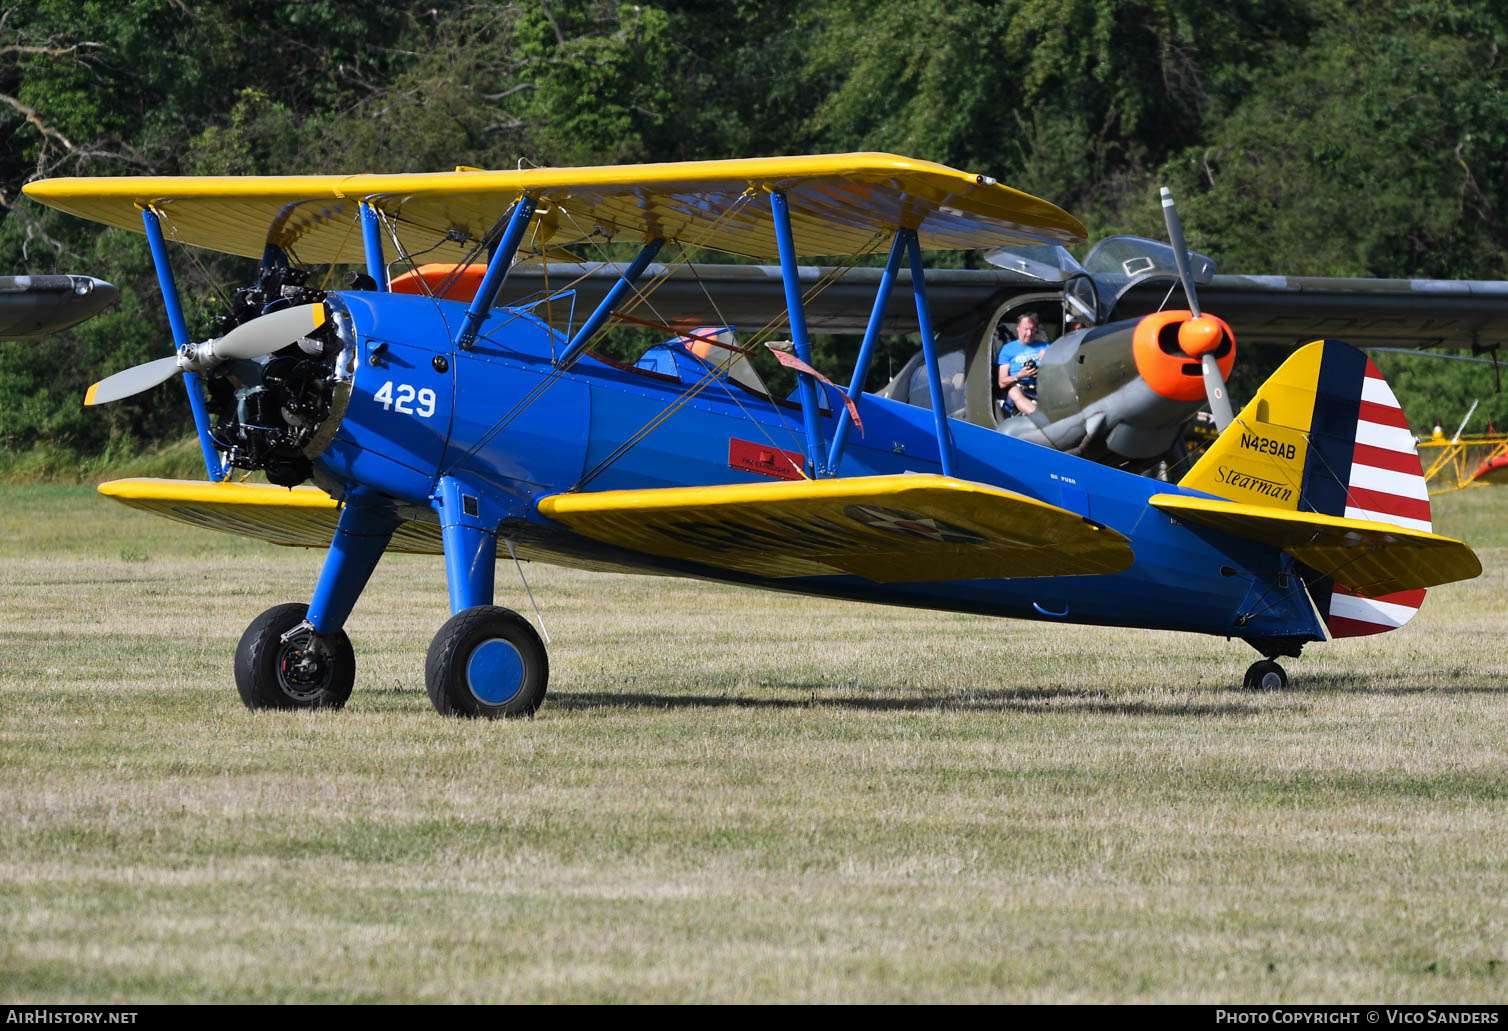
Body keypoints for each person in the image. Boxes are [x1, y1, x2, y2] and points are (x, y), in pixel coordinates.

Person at [997, 311, 1048, 417]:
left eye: (1032, 329)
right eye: (1026, 329)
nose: (1029, 333)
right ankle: (1041, 417)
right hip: (1020, 387)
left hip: (1045, 386)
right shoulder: (1007, 349)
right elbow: (1002, 382)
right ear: (1018, 328)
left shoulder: (1046, 346)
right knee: (1013, 391)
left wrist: (1051, 353)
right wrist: (1020, 375)